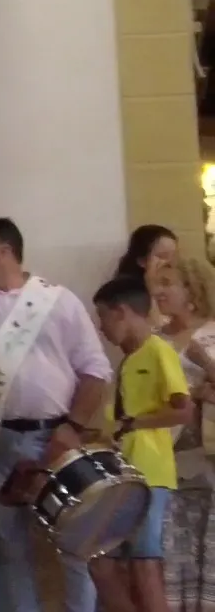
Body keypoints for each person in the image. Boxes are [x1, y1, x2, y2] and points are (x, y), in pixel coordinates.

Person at [0, 217, 112, 612]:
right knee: (10, 547)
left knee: (76, 542)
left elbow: (94, 369)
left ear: (4, 250)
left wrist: (73, 426)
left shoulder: (57, 300)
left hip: (55, 438)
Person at [94, 273, 194, 612]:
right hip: (124, 472)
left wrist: (135, 423)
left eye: (103, 317)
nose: (101, 328)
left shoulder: (157, 351)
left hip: (149, 472)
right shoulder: (128, 361)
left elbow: (183, 411)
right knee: (102, 564)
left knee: (144, 563)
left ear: (122, 312)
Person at [149, 256, 215, 610]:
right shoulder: (155, 340)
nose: (158, 292)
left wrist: (206, 368)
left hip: (208, 462)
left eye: (167, 284)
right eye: (157, 284)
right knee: (173, 550)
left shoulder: (213, 332)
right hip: (166, 461)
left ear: (191, 291)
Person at [117, 224, 182, 281]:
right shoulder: (127, 291)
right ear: (142, 261)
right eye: (163, 256)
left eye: (174, 256)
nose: (170, 263)